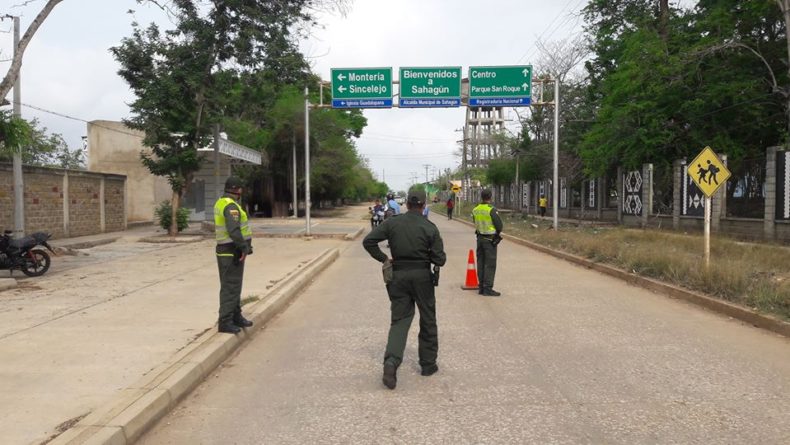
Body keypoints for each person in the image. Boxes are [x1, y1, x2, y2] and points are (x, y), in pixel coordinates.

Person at [363, 188, 447, 390]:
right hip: (422, 278)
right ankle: (428, 365)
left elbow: (369, 241)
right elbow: (440, 259)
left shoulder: (392, 222)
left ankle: (391, 363)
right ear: (424, 205)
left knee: (400, 320)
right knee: (427, 318)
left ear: (407, 204)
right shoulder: (430, 227)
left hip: (398, 276)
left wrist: (384, 258)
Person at [214, 176, 254, 334]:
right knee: (230, 286)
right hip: (231, 250)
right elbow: (234, 230)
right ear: (238, 189)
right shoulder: (231, 206)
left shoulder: (222, 202)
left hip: (230, 249)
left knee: (234, 285)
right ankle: (225, 321)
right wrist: (244, 247)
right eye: (241, 188)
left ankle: (236, 316)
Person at [472, 189, 504, 297]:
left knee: (481, 263)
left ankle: (481, 287)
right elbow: (499, 226)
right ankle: (488, 288)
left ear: (481, 197)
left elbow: (474, 222)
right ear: (490, 197)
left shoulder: (475, 209)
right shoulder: (491, 209)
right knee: (489, 264)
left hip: (480, 239)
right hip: (490, 240)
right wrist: (497, 233)